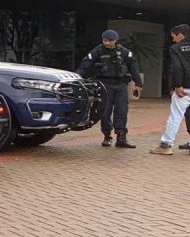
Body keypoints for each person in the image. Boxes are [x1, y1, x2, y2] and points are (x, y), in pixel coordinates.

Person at [77, 29, 143, 148]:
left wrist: (138, 83)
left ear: (116, 40)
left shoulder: (123, 52)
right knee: (105, 112)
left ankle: (121, 137)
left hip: (120, 85)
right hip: (104, 84)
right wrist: (76, 78)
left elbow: (133, 67)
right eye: (104, 40)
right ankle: (107, 136)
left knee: (122, 111)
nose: (107, 43)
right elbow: (85, 66)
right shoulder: (97, 51)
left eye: (110, 40)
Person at [150, 24, 190, 155]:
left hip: (184, 88)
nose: (173, 39)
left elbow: (177, 68)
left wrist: (177, 85)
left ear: (180, 35)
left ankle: (166, 145)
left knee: (175, 117)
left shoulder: (176, 48)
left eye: (174, 36)